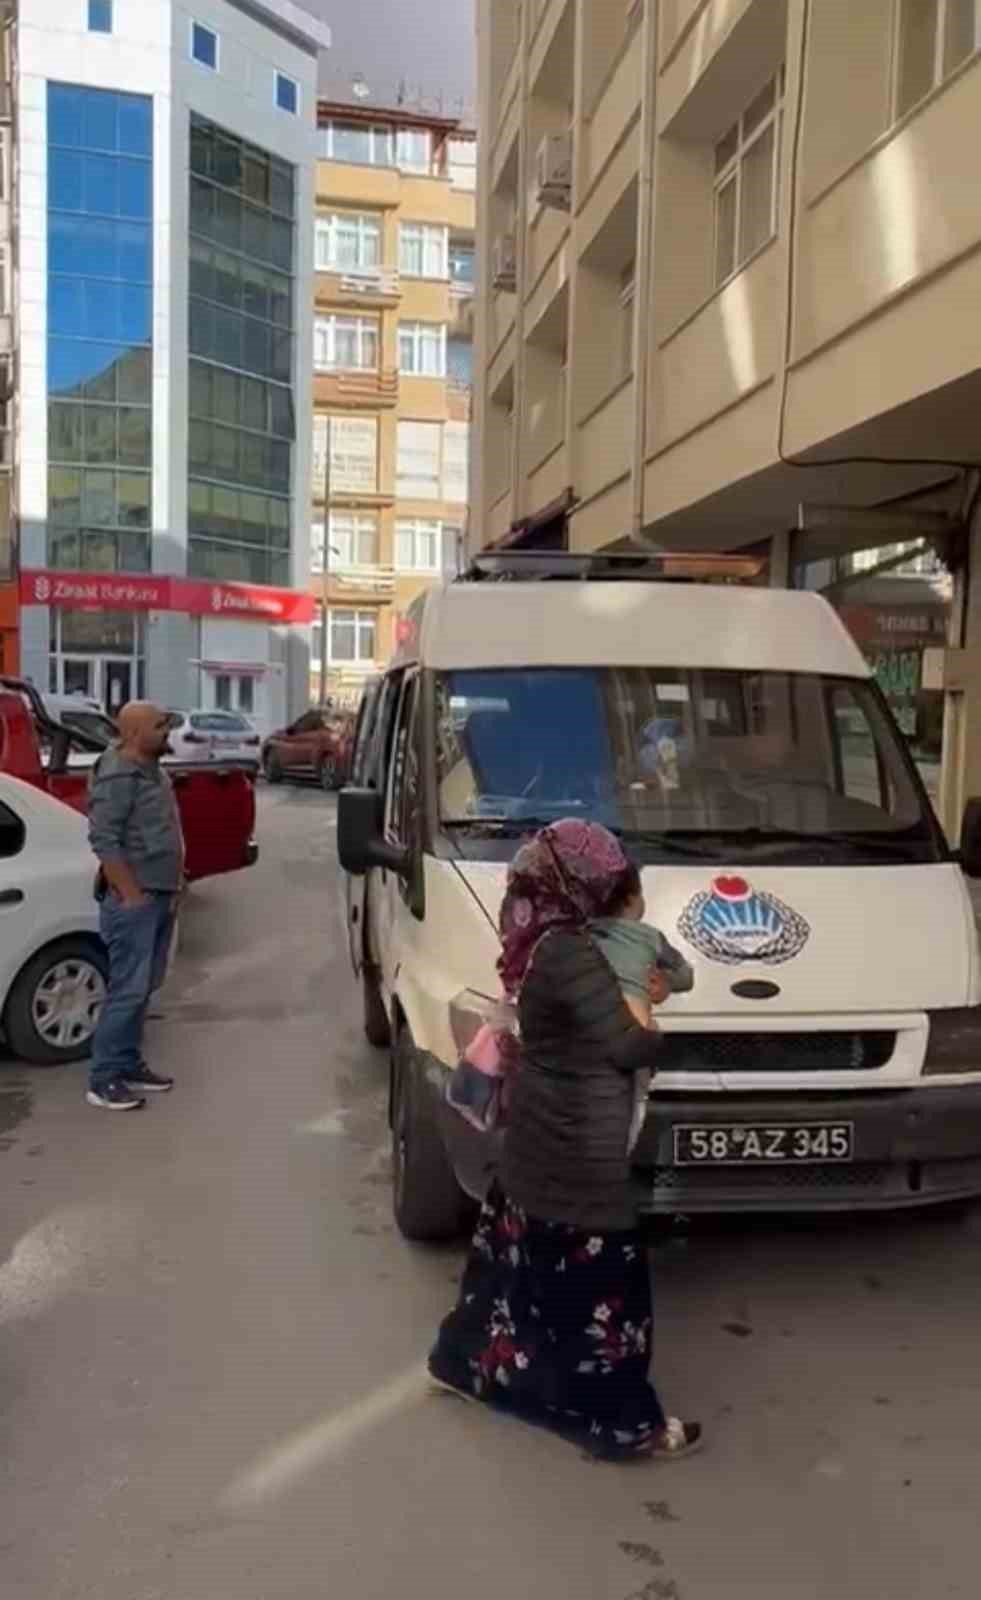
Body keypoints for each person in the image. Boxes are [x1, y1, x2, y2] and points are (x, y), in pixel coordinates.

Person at [429, 819, 701, 1462]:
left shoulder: (545, 945)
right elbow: (627, 1045)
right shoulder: (570, 953)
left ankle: (461, 1365)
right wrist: (658, 1022)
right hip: (578, 1157)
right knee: (605, 1306)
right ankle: (625, 1426)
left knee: (511, 1279)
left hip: (538, 1149)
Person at [86, 702, 183, 1111]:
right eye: (159, 726)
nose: (167, 732)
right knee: (127, 990)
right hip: (136, 900)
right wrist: (131, 895)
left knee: (143, 988)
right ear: (132, 733)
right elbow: (104, 840)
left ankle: (127, 1064)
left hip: (160, 893)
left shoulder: (153, 770)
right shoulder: (118, 776)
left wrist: (176, 883)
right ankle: (104, 1078)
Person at [589, 864, 694, 1152]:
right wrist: (667, 982)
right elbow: (686, 976)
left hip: (592, 1036)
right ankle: (624, 1153)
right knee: (635, 1102)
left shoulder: (582, 935)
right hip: (634, 1034)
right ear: (633, 899)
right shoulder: (649, 937)